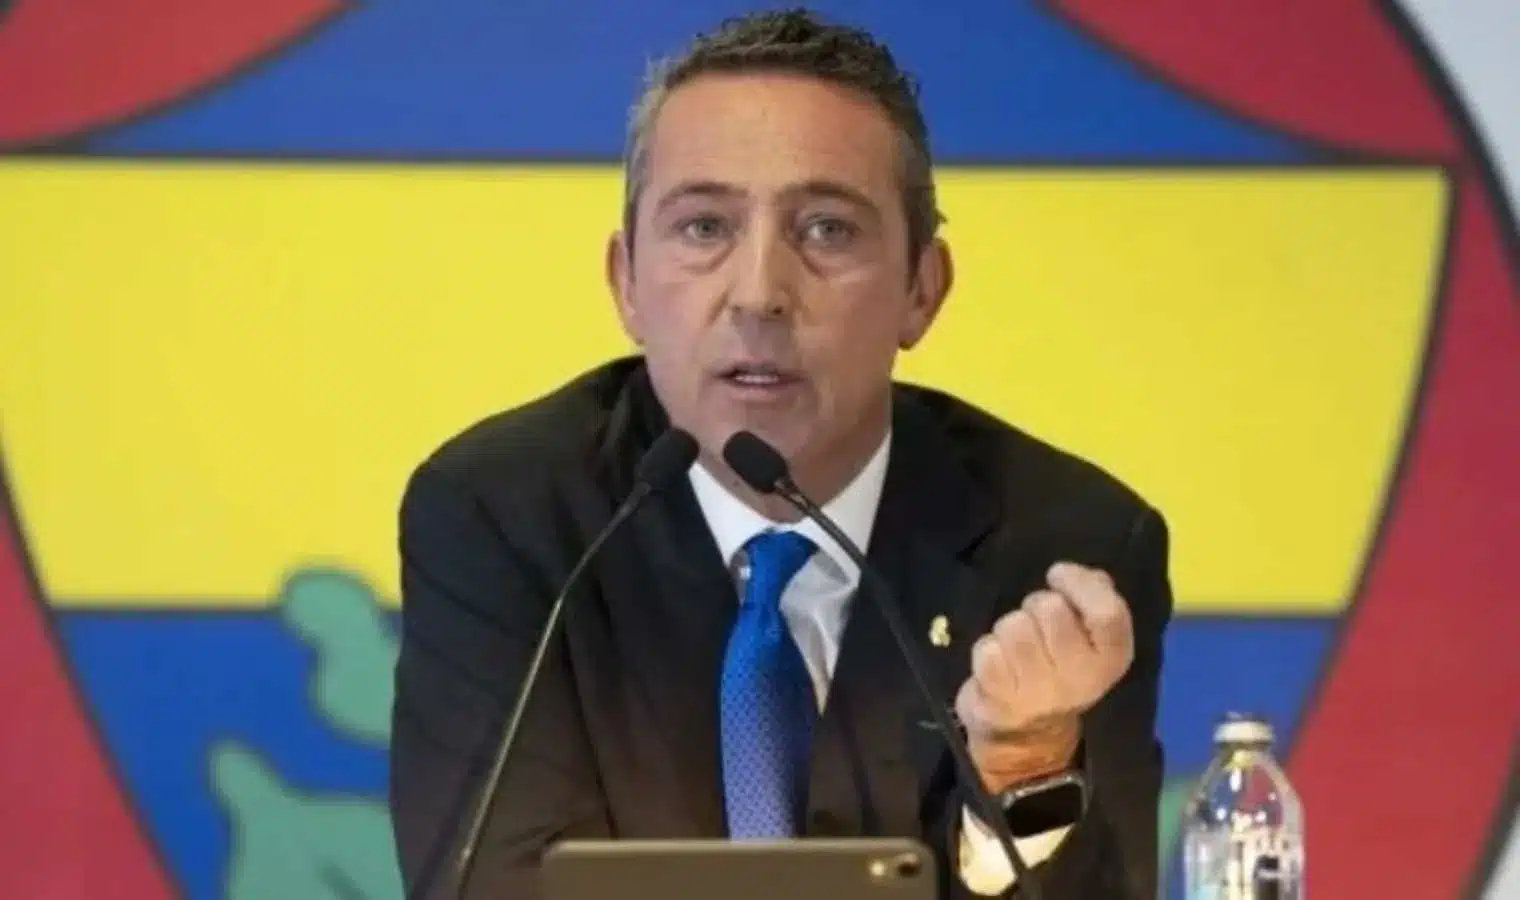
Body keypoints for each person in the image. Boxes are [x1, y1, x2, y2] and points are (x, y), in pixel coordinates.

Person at [389, 8, 1173, 900]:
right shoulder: (505, 517)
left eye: (827, 229)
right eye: (704, 227)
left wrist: (1024, 769)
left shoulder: (1064, 549)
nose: (759, 293)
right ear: (626, 282)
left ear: (922, 289)